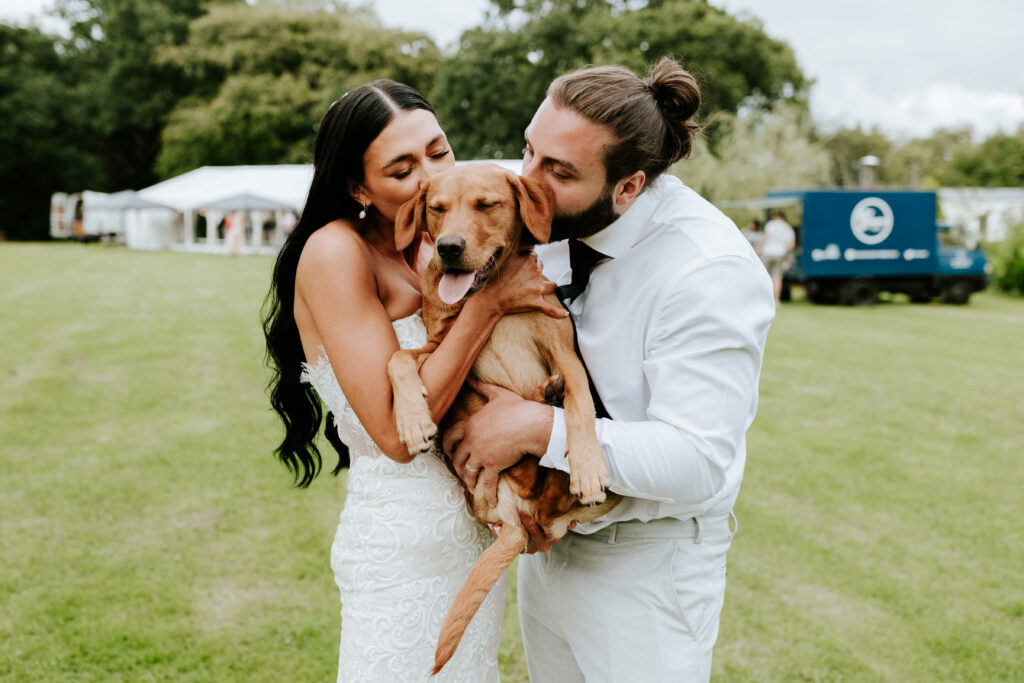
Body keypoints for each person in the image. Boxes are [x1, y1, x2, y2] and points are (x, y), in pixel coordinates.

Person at [441, 58, 776, 682]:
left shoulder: (706, 270)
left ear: (629, 187)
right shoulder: (550, 223)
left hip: (646, 569)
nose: (529, 182)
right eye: (529, 152)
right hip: (553, 538)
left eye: (558, 171)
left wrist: (533, 430)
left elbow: (699, 459)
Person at [261, 80, 564, 682]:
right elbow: (397, 436)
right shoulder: (333, 252)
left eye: (439, 151)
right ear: (357, 187)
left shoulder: (444, 249)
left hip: (474, 537)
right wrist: (489, 305)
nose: (429, 177)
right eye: (403, 169)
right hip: (403, 550)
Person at [758, 209, 796, 302]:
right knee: (777, 277)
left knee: (762, 275)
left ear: (776, 217)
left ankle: (761, 299)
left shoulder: (771, 224)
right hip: (780, 253)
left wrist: (758, 248)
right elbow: (791, 245)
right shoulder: (788, 228)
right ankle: (776, 300)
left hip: (768, 252)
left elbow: (767, 237)